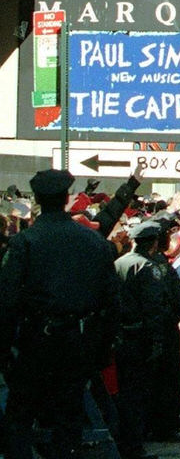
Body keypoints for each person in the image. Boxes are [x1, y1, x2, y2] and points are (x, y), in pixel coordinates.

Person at [0, 168, 117, 459]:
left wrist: (5, 352)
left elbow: (7, 302)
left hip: (34, 342)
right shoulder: (93, 242)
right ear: (67, 198)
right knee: (69, 418)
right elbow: (111, 303)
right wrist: (100, 349)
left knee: (20, 418)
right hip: (77, 341)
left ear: (38, 199)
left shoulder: (25, 243)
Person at [114, 217, 180, 456]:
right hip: (152, 332)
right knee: (160, 383)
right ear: (155, 242)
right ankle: (159, 429)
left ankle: (138, 431)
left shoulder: (120, 262)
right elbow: (164, 301)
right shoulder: (153, 266)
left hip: (125, 332)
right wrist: (161, 332)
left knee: (130, 388)